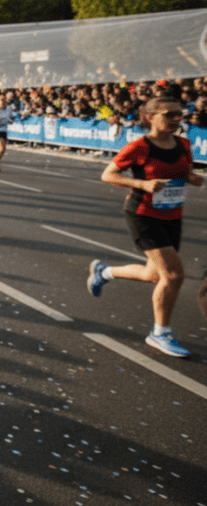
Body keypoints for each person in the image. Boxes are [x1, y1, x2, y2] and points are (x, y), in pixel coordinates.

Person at [87, 96, 203, 358]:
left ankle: (105, 273)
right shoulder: (139, 147)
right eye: (169, 114)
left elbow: (184, 172)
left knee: (154, 275)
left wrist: (193, 179)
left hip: (172, 215)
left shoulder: (184, 144)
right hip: (143, 214)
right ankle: (160, 333)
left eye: (179, 114)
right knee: (173, 276)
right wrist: (143, 184)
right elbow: (108, 175)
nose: (176, 119)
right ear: (150, 116)